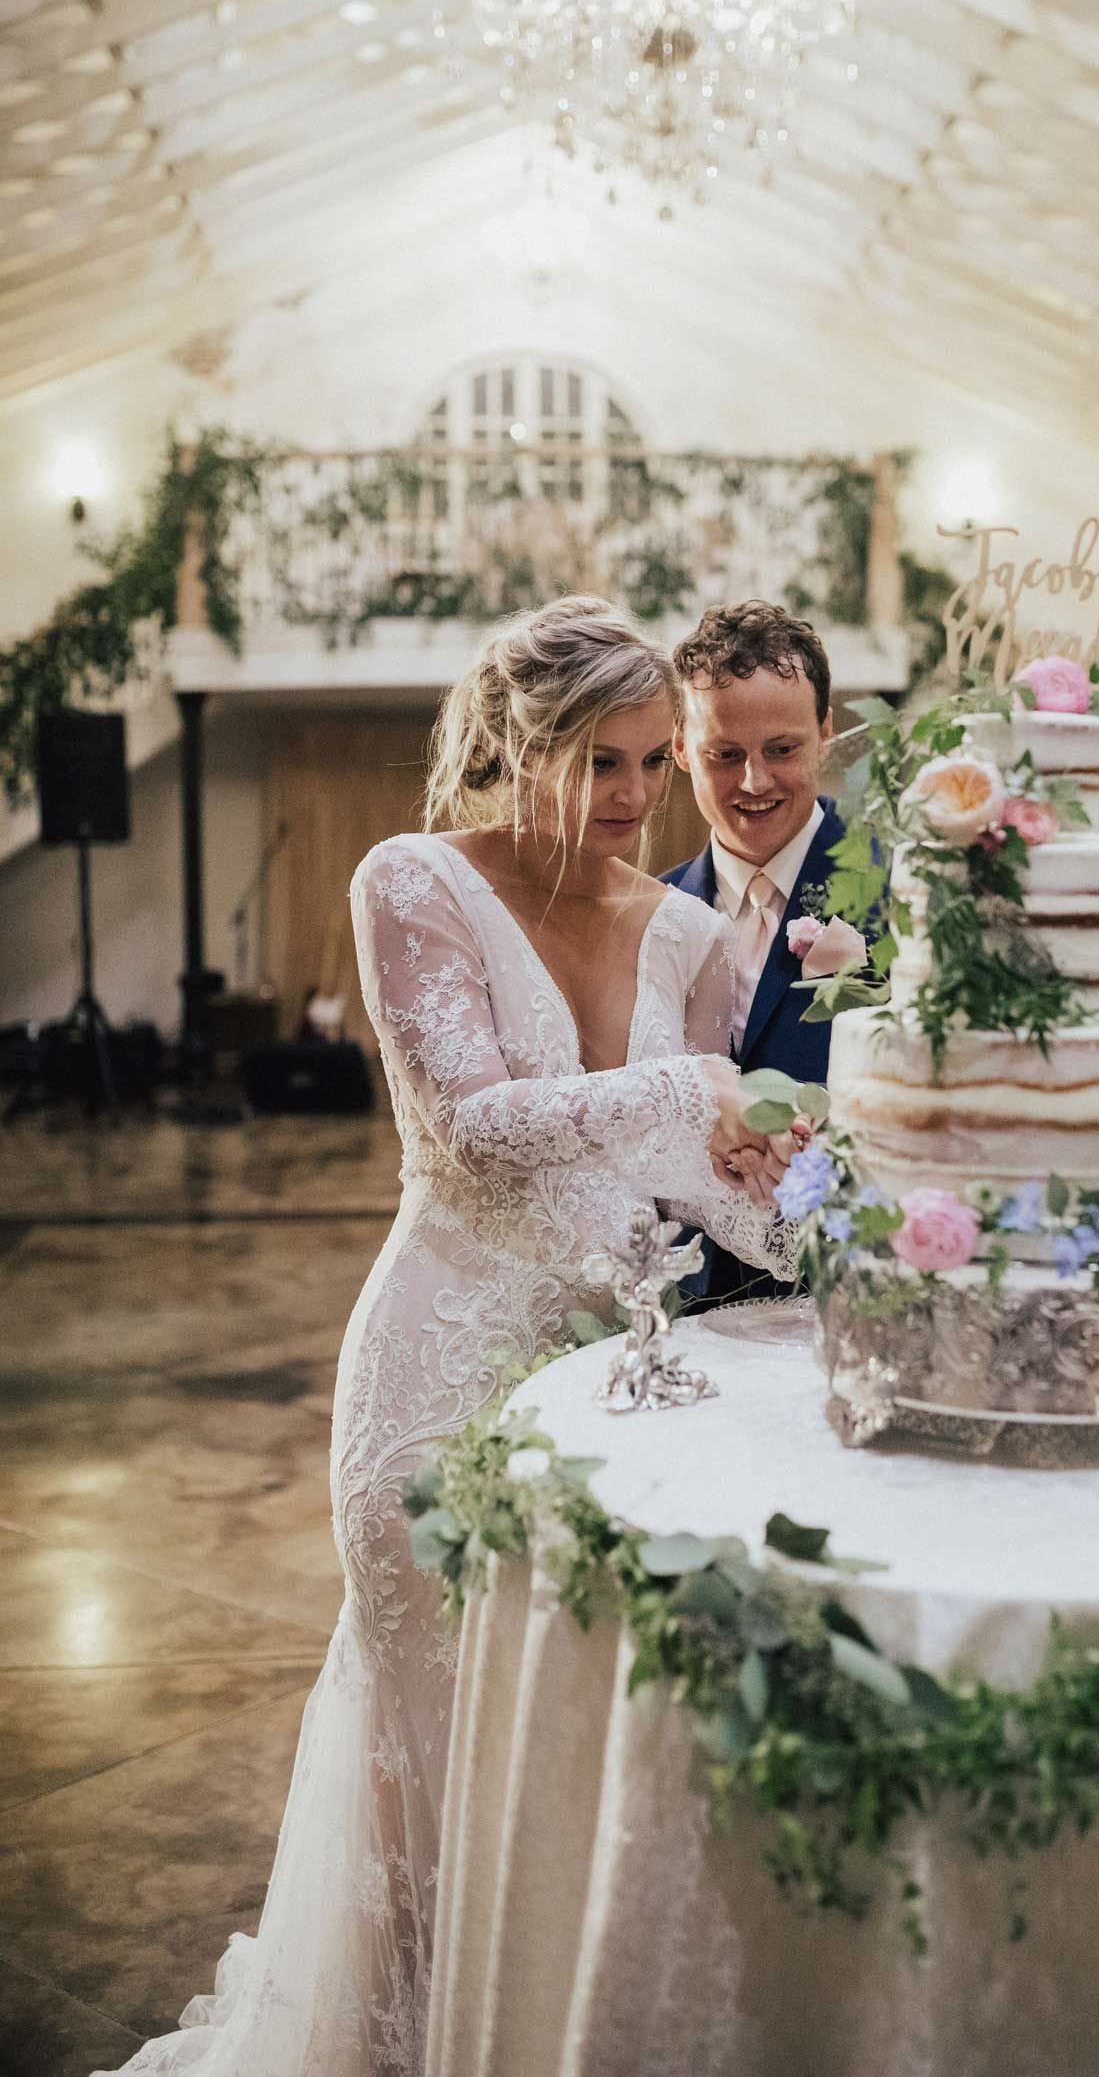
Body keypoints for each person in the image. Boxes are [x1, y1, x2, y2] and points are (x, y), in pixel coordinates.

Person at [96, 598, 796, 2077]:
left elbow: (694, 1178)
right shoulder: (408, 878)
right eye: (598, 761)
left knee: (570, 1756)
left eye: (651, 764)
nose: (631, 799)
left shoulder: (690, 929)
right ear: (510, 742)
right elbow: (472, 1126)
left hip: (615, 1389)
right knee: (430, 1753)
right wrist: (685, 1098)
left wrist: (827, 1218)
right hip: (438, 1367)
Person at [664, 600, 856, 1307]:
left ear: (825, 733)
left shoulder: (907, 892)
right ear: (682, 746)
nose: (754, 782)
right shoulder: (647, 915)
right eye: (725, 755)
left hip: (853, 1302)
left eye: (782, 749)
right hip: (685, 1316)